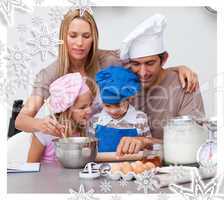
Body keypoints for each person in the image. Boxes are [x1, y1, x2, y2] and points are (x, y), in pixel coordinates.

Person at [15, 8, 199, 137]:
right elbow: (21, 120)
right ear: (63, 37)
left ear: (94, 38)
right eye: (73, 35)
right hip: (73, 143)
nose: (79, 43)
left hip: (107, 144)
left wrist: (177, 69)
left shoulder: (110, 60)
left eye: (86, 36)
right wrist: (40, 125)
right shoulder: (50, 74)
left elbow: (144, 63)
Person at [116, 14, 205, 157]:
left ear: (164, 59)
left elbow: (193, 143)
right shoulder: (122, 82)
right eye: (136, 64)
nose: (143, 73)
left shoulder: (185, 85)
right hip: (128, 168)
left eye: (150, 63)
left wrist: (147, 141)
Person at [89, 66, 160, 154]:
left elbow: (149, 147)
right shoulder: (95, 120)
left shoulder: (139, 118)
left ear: (129, 99)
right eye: (107, 106)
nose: (113, 111)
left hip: (131, 165)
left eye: (118, 105)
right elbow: (90, 149)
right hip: (102, 166)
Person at [27, 73, 95, 162]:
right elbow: (30, 166)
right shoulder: (44, 133)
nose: (90, 111)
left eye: (90, 104)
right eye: (82, 107)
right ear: (65, 111)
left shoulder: (83, 129)